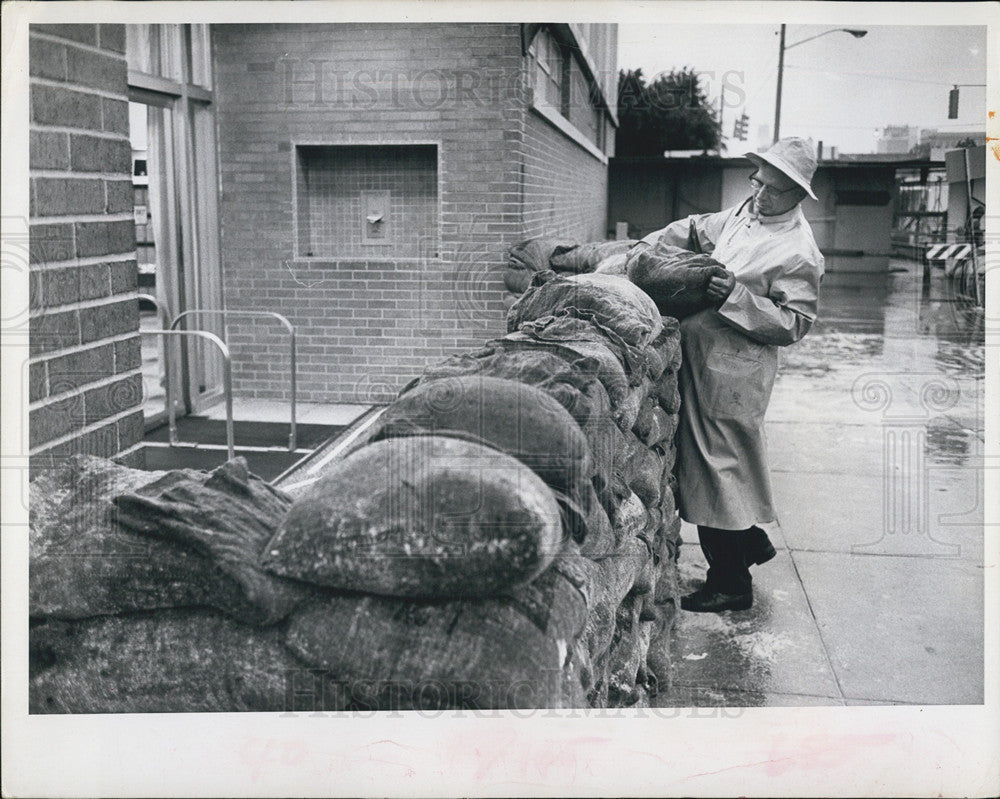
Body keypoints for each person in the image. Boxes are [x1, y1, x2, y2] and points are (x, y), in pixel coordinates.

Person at [628, 137, 824, 613]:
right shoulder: (743, 213)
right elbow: (697, 228)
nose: (760, 194)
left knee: (718, 470)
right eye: (757, 181)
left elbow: (793, 322)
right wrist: (652, 245)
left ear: (797, 195)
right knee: (711, 467)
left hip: (734, 374)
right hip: (703, 362)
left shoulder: (797, 251)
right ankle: (751, 543)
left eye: (774, 190)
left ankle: (731, 584)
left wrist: (735, 295)